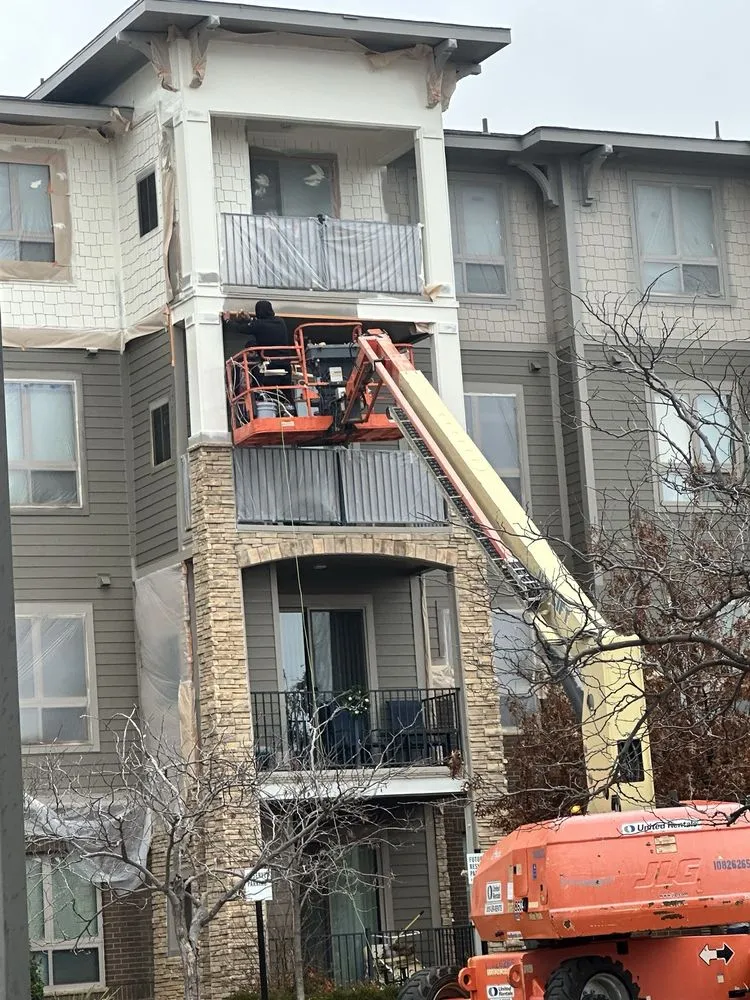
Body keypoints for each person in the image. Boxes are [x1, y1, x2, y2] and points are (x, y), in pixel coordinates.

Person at [243, 300, 294, 412]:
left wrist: (227, 320)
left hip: (269, 365)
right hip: (285, 363)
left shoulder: (258, 325)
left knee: (257, 379)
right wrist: (251, 321)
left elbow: (243, 329)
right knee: (287, 391)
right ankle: (291, 408)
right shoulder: (280, 322)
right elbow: (264, 327)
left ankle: (259, 408)